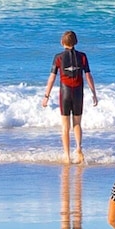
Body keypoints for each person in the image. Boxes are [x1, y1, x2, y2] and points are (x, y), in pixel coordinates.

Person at [40, 30, 98, 164]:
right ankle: (78, 148)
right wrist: (94, 93)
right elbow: (88, 76)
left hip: (65, 93)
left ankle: (66, 155)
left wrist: (46, 96)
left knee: (65, 126)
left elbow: (52, 78)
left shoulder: (58, 57)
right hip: (78, 93)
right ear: (76, 42)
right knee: (77, 123)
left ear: (62, 42)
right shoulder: (82, 56)